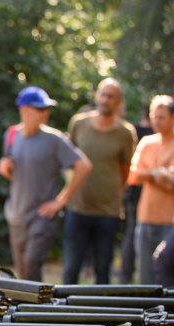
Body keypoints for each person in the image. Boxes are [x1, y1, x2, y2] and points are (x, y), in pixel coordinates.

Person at [0, 86, 92, 281]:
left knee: (32, 262)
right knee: (22, 270)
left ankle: (37, 308)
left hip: (42, 215)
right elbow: (10, 171)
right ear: (24, 110)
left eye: (46, 109)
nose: (45, 113)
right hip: (17, 214)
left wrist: (61, 201)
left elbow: (84, 166)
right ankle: (28, 308)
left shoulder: (54, 139)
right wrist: (3, 168)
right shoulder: (12, 134)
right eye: (40, 109)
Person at [62, 78, 137, 285]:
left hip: (108, 212)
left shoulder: (125, 133)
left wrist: (114, 195)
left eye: (111, 96)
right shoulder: (79, 123)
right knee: (71, 269)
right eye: (102, 94)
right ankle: (62, 316)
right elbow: (69, 161)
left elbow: (126, 171)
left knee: (103, 270)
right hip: (78, 207)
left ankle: (100, 316)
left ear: (119, 101)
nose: (105, 99)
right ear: (96, 96)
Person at [127, 95, 174, 284]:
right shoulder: (146, 142)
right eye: (154, 116)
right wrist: (158, 173)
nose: (156, 121)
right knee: (145, 275)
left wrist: (148, 173)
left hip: (170, 221)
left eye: (161, 117)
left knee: (167, 274)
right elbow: (133, 176)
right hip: (146, 218)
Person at [121, 105, 154, 283]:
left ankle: (126, 276)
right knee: (136, 234)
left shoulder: (133, 129)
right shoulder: (150, 137)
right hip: (139, 192)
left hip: (133, 192)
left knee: (131, 232)